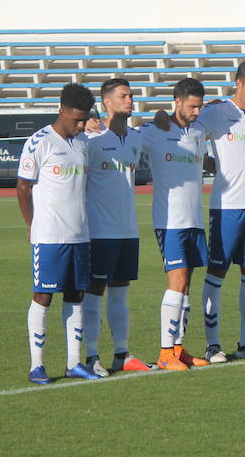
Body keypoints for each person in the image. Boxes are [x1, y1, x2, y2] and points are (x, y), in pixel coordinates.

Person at [154, 60, 245, 362]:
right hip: (225, 208)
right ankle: (212, 345)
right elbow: (182, 121)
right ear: (238, 84)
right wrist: (161, 115)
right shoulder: (213, 113)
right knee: (217, 274)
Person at [17, 83, 101, 383]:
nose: (81, 125)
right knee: (43, 296)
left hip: (80, 235)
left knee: (76, 295)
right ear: (62, 111)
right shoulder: (39, 142)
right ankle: (37, 365)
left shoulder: (83, 145)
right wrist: (32, 225)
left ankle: (74, 363)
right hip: (49, 237)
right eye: (76, 119)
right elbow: (23, 188)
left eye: (84, 119)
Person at [82, 79, 155, 377]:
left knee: (121, 294)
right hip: (100, 232)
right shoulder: (92, 142)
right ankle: (90, 356)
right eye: (123, 96)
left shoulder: (137, 138)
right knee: (94, 293)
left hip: (128, 230)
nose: (130, 99)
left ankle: (122, 354)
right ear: (107, 103)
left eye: (131, 94)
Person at [141, 78, 211, 370]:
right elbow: (126, 135)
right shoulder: (154, 131)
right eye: (192, 106)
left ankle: (179, 347)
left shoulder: (198, 131)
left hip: (194, 220)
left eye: (199, 106)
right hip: (169, 221)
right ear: (177, 101)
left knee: (186, 287)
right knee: (177, 282)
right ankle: (165, 351)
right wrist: (96, 125)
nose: (196, 111)